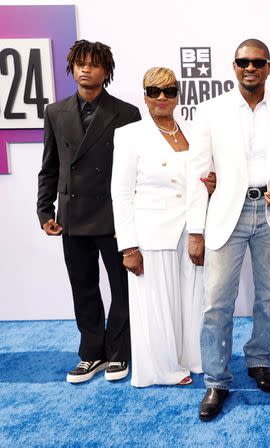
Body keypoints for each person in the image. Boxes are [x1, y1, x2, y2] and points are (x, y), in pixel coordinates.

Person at [187, 38, 270, 421]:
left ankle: (259, 361)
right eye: (243, 62)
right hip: (228, 212)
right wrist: (196, 229)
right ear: (234, 66)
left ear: (269, 67)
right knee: (216, 304)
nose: (250, 68)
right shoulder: (211, 111)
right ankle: (216, 380)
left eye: (258, 62)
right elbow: (197, 174)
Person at [37, 40, 141, 383]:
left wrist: (133, 219)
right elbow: (49, 167)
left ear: (106, 71)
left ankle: (119, 352)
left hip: (114, 217)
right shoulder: (55, 112)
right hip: (72, 214)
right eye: (80, 63)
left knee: (122, 287)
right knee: (82, 286)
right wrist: (44, 211)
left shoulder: (126, 113)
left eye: (94, 64)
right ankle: (90, 352)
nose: (86, 69)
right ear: (72, 68)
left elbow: (136, 172)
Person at [111, 67, 215, 387]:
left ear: (177, 95)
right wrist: (128, 246)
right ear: (144, 95)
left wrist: (212, 186)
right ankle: (160, 369)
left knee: (192, 299)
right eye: (154, 91)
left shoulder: (196, 130)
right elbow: (122, 192)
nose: (161, 98)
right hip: (151, 232)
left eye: (169, 91)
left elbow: (201, 180)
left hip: (192, 227)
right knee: (155, 304)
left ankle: (192, 359)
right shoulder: (129, 134)